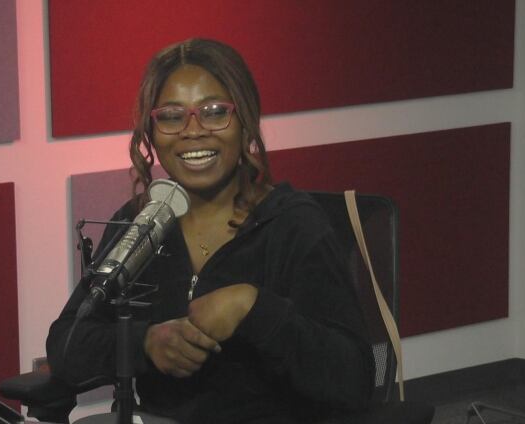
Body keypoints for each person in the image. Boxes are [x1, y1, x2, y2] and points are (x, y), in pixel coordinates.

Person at [47, 38, 374, 424]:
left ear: (245, 123)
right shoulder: (141, 226)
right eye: (171, 116)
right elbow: (67, 342)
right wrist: (145, 343)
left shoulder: (294, 225)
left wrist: (254, 308)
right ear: (151, 133)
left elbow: (353, 379)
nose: (192, 131)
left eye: (215, 112)